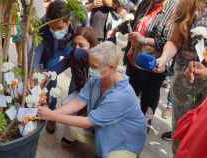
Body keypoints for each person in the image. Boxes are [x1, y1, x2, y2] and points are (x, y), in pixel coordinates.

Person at [38, 42, 147, 158]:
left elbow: (88, 122)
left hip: (125, 141)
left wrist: (52, 116)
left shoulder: (121, 95)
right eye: (90, 65)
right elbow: (79, 102)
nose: (90, 69)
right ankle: (102, 144)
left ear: (111, 67)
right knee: (73, 126)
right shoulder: (97, 79)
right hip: (108, 129)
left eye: (95, 66)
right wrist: (52, 113)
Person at [110, 0, 177, 126]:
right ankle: (124, 125)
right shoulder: (145, 3)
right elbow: (134, 22)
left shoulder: (174, 9)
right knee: (128, 95)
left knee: (148, 100)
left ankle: (142, 127)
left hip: (153, 66)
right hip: (134, 60)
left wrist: (144, 40)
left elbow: (171, 41)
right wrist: (117, 29)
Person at [155, 0, 207, 154]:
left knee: (201, 135)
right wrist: (163, 59)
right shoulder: (188, 4)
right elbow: (175, 41)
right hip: (185, 79)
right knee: (181, 128)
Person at [32, 0, 74, 134]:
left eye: (59, 28)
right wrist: (32, 72)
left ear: (69, 22)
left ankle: (63, 115)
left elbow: (71, 57)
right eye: (52, 28)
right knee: (51, 81)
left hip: (71, 49)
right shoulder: (42, 23)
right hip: (52, 51)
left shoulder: (80, 19)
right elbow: (36, 49)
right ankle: (52, 113)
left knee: (74, 85)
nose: (55, 31)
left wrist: (50, 72)